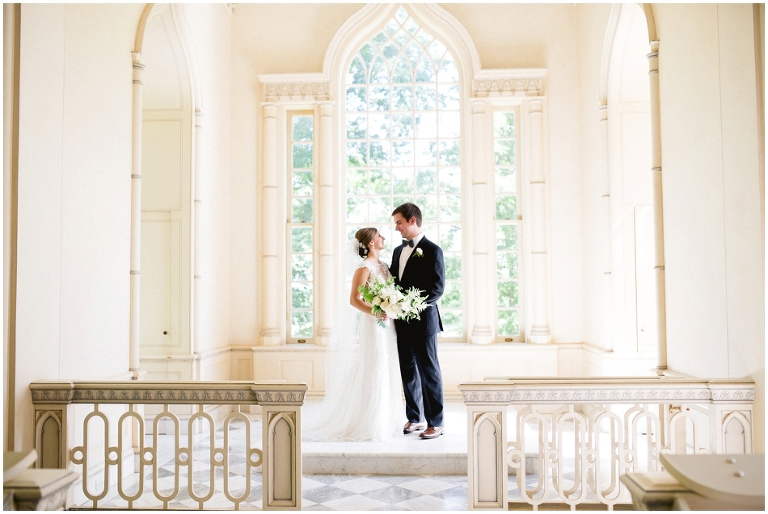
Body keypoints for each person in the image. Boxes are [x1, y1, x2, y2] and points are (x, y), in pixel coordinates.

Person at [303, 227, 403, 441]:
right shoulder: (364, 268)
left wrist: (392, 307)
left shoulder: (384, 266)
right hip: (374, 324)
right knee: (374, 365)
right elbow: (354, 299)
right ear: (370, 243)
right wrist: (376, 311)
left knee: (388, 365)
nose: (383, 237)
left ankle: (387, 419)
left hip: (388, 324)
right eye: (379, 236)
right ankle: (370, 422)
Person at [389, 203, 446, 439]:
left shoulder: (433, 250)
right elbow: (393, 283)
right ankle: (415, 418)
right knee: (408, 372)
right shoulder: (397, 251)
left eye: (399, 223)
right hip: (401, 322)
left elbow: (437, 288)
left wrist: (410, 306)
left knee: (429, 372)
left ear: (413, 221)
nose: (397, 229)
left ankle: (437, 422)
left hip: (424, 322)